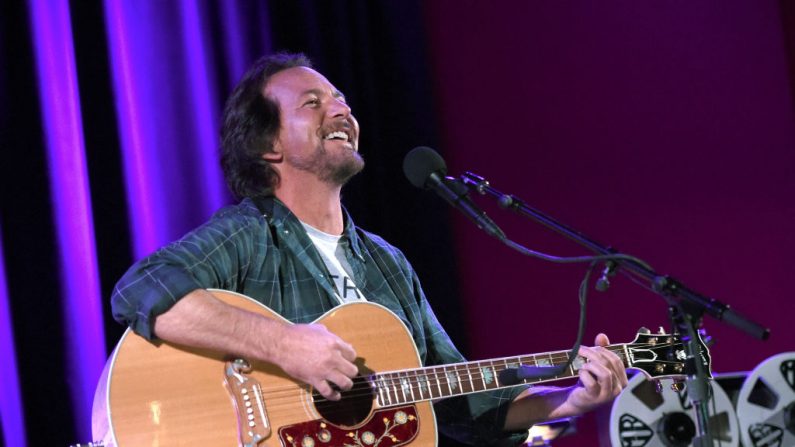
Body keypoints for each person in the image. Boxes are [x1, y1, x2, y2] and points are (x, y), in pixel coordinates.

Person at [111, 52, 628, 446]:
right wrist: (283, 345)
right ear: (269, 146)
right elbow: (142, 290)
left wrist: (568, 399)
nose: (341, 108)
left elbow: (462, 403)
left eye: (341, 100)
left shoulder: (386, 262)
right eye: (313, 103)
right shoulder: (249, 233)